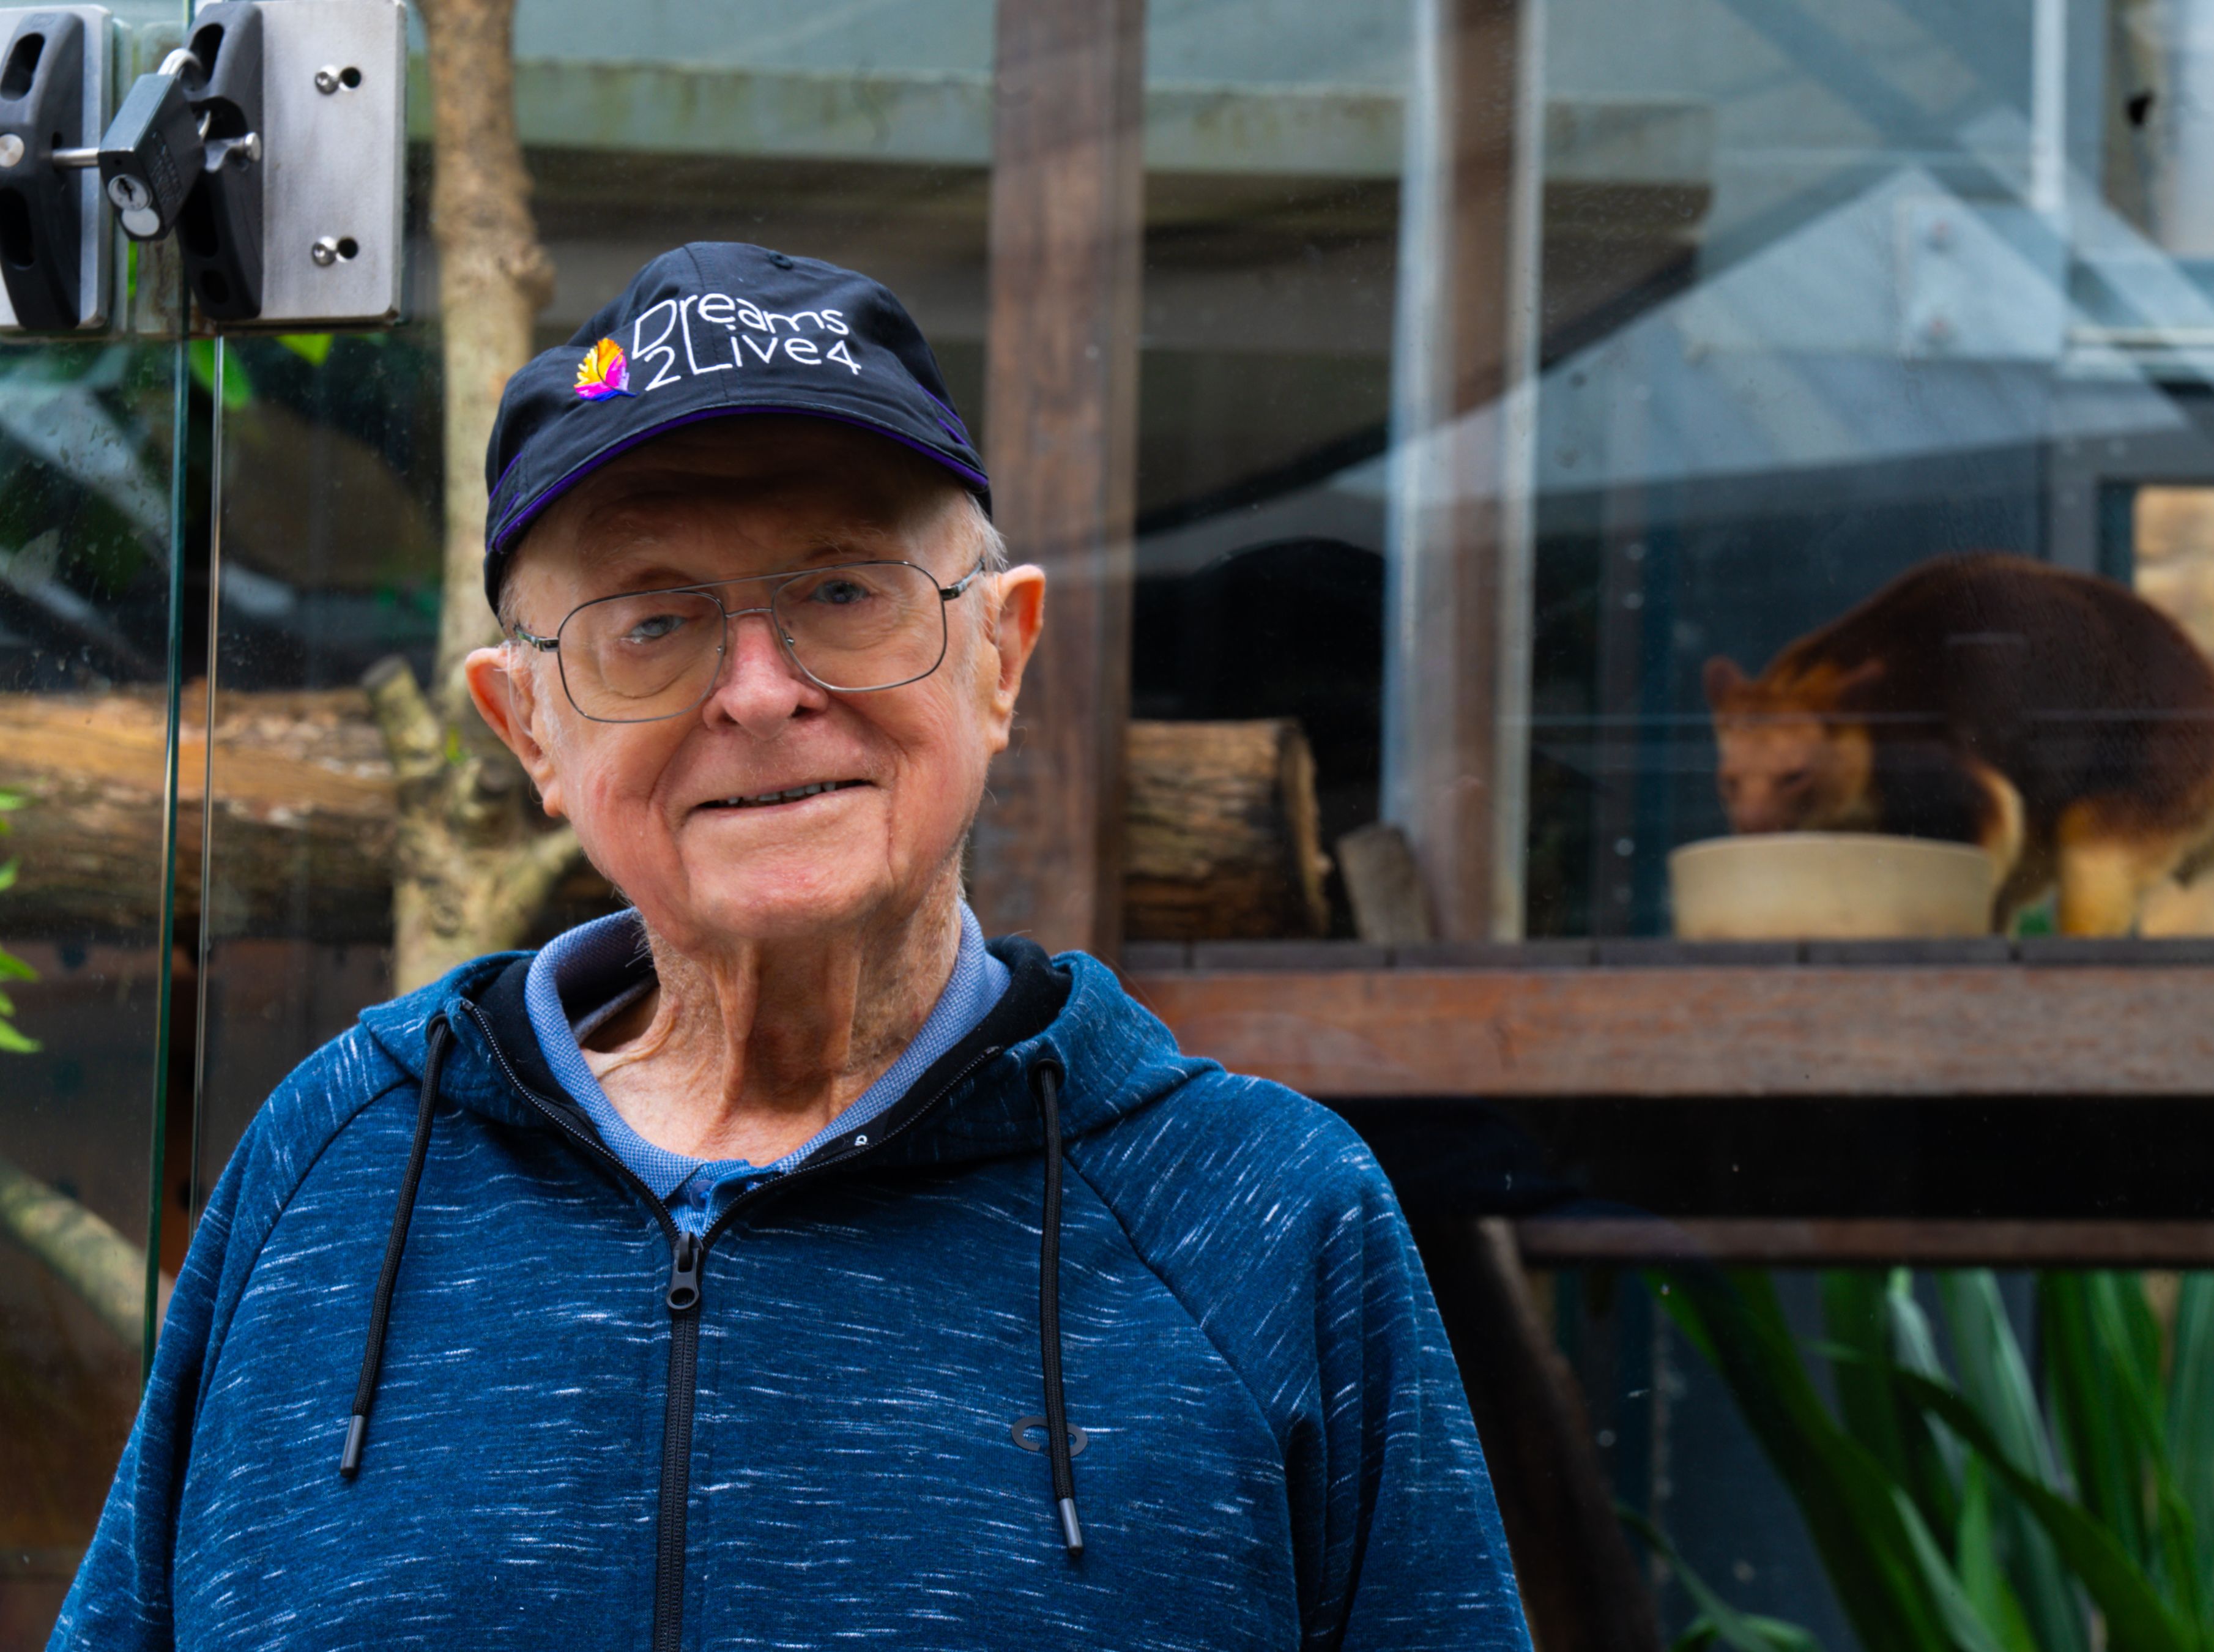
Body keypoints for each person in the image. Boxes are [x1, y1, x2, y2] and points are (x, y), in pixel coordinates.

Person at [51, 242, 1529, 1650]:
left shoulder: (1261, 1216)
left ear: (1000, 658)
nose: (760, 694)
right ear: (528, 731)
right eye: (651, 622)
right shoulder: (336, 1166)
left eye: (840, 592)